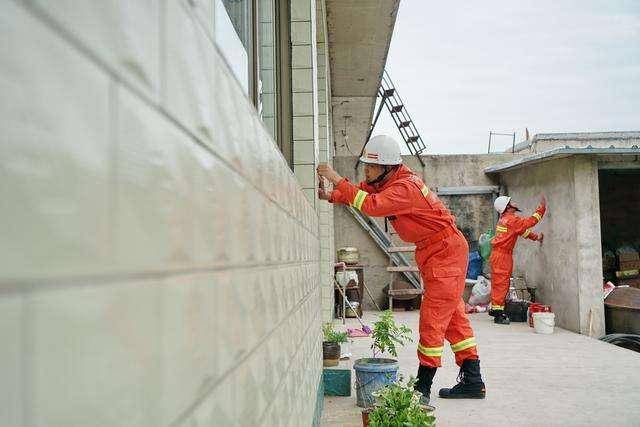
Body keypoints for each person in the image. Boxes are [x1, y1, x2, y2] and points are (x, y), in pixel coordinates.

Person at [316, 135, 485, 406]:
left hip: (444, 252)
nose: (367, 171)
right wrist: (331, 195)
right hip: (436, 251)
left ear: (387, 167)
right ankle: (473, 381)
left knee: (432, 317)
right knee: (453, 317)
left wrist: (336, 178)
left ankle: (422, 388)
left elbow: (372, 205)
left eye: (371, 167)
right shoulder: (391, 181)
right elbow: (365, 192)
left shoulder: (405, 188)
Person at [489, 195, 546, 325]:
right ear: (507, 207)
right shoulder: (511, 220)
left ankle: (495, 308)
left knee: (499, 282)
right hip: (502, 256)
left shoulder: (505, 220)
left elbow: (522, 231)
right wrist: (541, 209)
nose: (514, 202)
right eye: (511, 202)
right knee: (501, 284)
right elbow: (530, 222)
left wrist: (536, 237)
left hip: (499, 255)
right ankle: (498, 314)